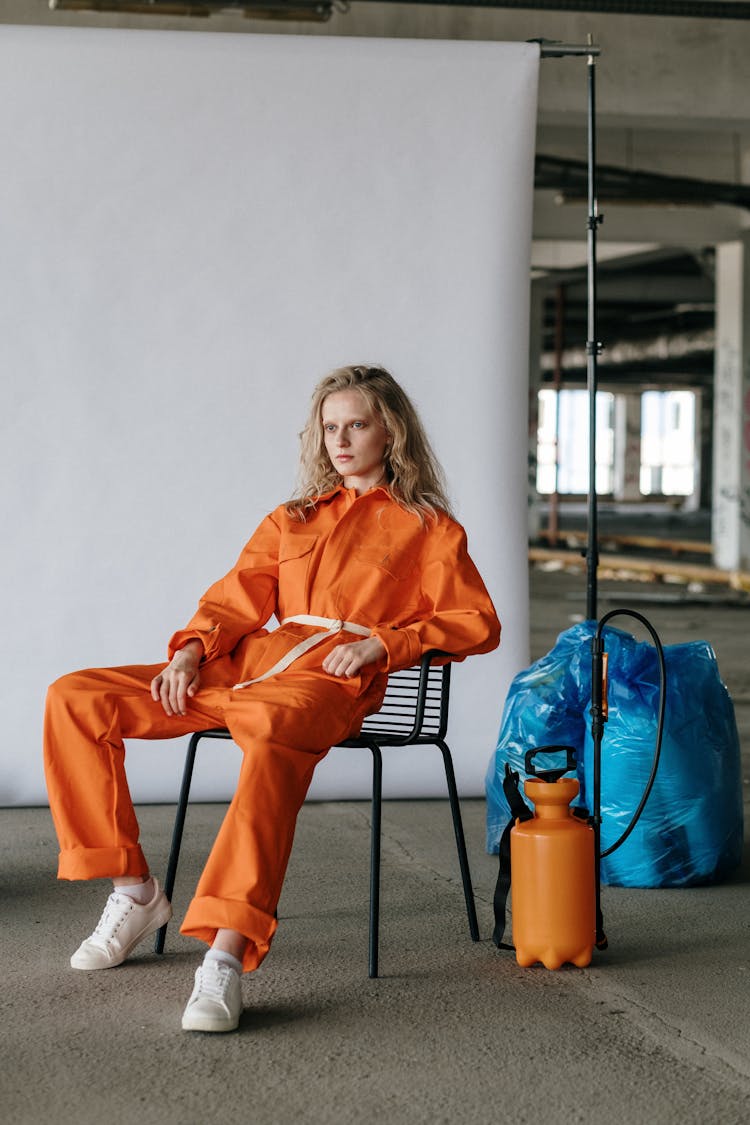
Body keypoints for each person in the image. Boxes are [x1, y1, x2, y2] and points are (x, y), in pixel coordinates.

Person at [44, 364, 500, 1034]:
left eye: (357, 424)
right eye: (330, 426)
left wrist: (385, 644)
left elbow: (476, 621)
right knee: (76, 695)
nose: (341, 439)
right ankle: (134, 889)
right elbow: (233, 599)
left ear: (390, 430)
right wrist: (191, 650)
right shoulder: (292, 518)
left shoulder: (428, 528)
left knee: (269, 721)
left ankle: (225, 952)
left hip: (325, 684)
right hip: (243, 671)